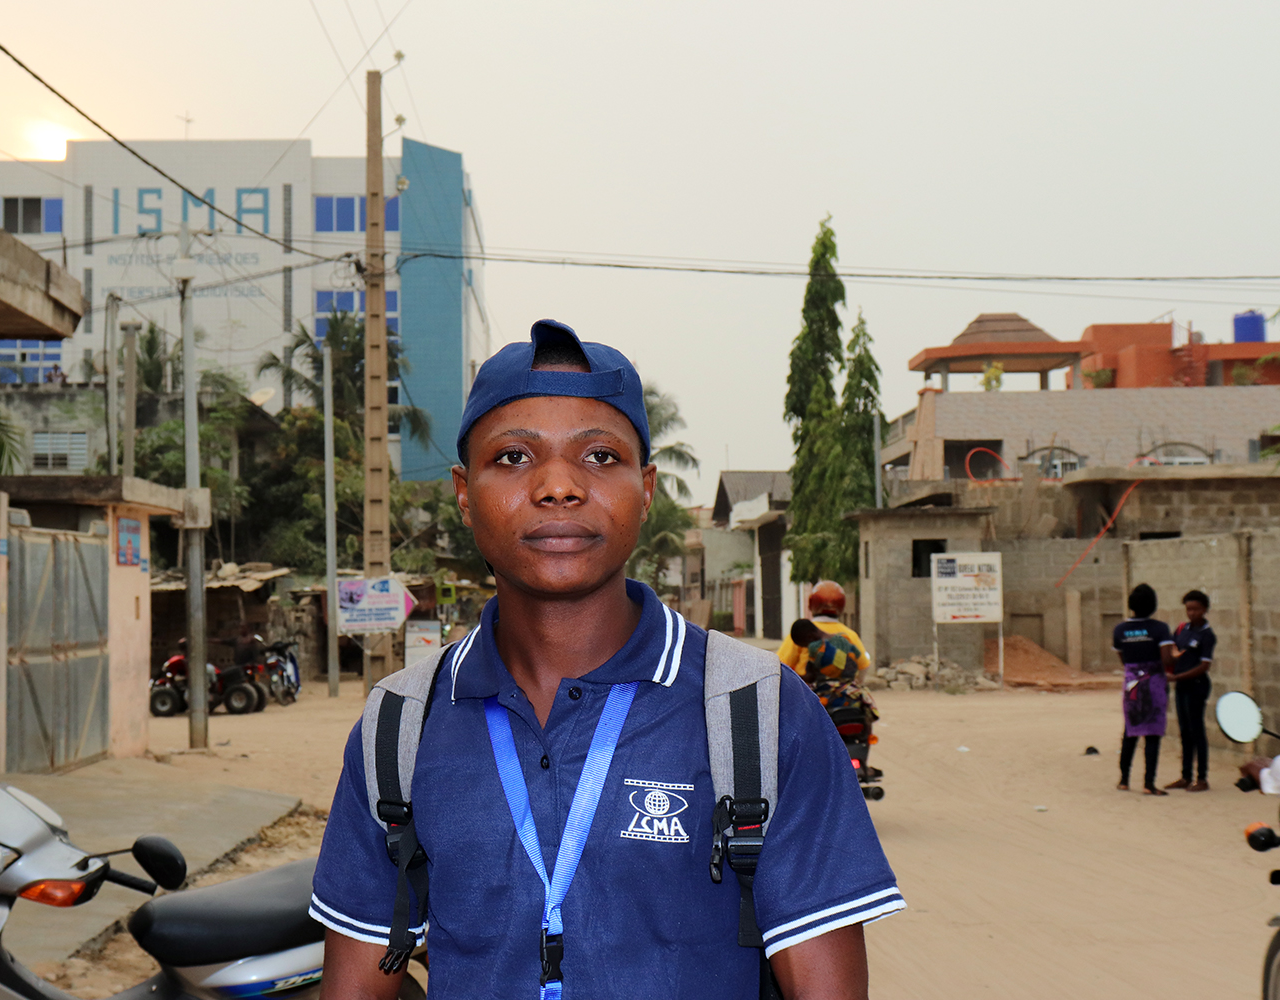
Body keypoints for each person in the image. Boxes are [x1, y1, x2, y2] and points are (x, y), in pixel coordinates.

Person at [312, 320, 902, 1000]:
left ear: (646, 488)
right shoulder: (399, 726)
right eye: (512, 458)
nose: (558, 486)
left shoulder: (760, 713)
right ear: (463, 491)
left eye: (599, 457)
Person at [1113, 583, 1176, 794]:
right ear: (1153, 604)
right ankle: (1149, 783)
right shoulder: (1160, 629)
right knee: (1152, 733)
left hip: (1131, 683)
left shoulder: (1120, 630)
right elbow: (1166, 658)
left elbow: (1123, 658)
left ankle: (1124, 779)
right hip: (1154, 682)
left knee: (1130, 730)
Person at [1164, 590, 1215, 792]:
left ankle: (1202, 778)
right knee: (1184, 731)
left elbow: (1204, 666)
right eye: (1188, 609)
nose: (1192, 613)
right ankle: (1185, 776)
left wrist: (1177, 677)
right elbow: (1172, 652)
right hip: (1182, 686)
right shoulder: (1181, 629)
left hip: (1197, 686)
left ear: (1204, 610)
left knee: (1197, 731)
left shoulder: (1207, 634)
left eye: (1196, 609)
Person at [775, 581, 871, 682]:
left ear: (811, 603)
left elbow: (781, 665)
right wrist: (857, 684)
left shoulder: (801, 632)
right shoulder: (850, 635)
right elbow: (864, 665)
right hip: (842, 690)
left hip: (810, 692)